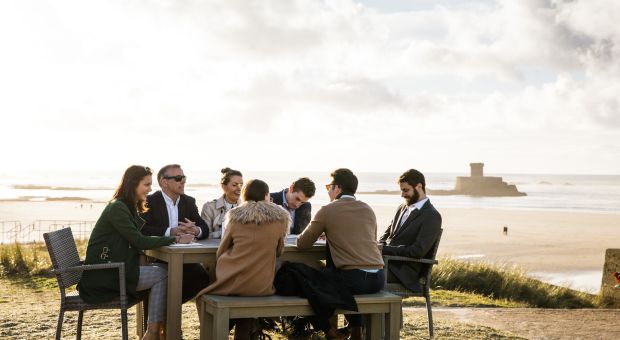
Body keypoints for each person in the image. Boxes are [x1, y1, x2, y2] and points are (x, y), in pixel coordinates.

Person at [79, 165, 194, 340]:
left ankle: (154, 331)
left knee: (163, 271)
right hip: (104, 275)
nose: (149, 189)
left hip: (114, 269)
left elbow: (137, 238)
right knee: (164, 274)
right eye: (146, 185)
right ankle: (154, 332)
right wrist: (175, 239)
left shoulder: (126, 207)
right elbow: (139, 240)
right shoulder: (118, 208)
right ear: (133, 184)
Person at [196, 179, 289, 340]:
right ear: (266, 195)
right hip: (262, 285)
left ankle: (214, 334)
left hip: (233, 281)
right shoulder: (281, 218)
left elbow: (222, 250)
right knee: (248, 296)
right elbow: (279, 251)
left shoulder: (235, 216)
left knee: (202, 294)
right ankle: (243, 335)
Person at [297, 168, 384, 340]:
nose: (328, 190)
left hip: (354, 279)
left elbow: (302, 243)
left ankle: (330, 331)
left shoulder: (328, 209)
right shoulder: (368, 209)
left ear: (337, 188)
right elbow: (366, 242)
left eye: (329, 186)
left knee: (306, 281)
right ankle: (356, 329)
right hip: (378, 278)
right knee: (335, 276)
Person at [140, 164, 210, 302]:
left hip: (183, 259)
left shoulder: (188, 201)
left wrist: (195, 230)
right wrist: (170, 231)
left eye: (183, 177)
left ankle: (169, 308)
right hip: (157, 257)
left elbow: (204, 228)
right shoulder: (149, 201)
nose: (183, 181)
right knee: (167, 278)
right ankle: (163, 311)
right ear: (164, 182)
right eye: (178, 178)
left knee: (202, 277)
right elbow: (143, 230)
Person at [379, 169, 442, 292]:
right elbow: (385, 236)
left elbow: (417, 251)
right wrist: (378, 246)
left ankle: (384, 311)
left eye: (406, 190)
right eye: (402, 190)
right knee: (353, 272)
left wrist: (384, 250)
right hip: (385, 264)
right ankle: (377, 311)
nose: (402, 195)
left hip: (404, 273)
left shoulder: (432, 215)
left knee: (361, 278)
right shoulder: (401, 208)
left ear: (419, 186)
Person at [200, 167, 243, 239]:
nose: (239, 189)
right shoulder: (209, 207)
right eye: (234, 185)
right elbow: (205, 234)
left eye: (241, 185)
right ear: (223, 186)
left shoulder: (247, 208)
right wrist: (226, 232)